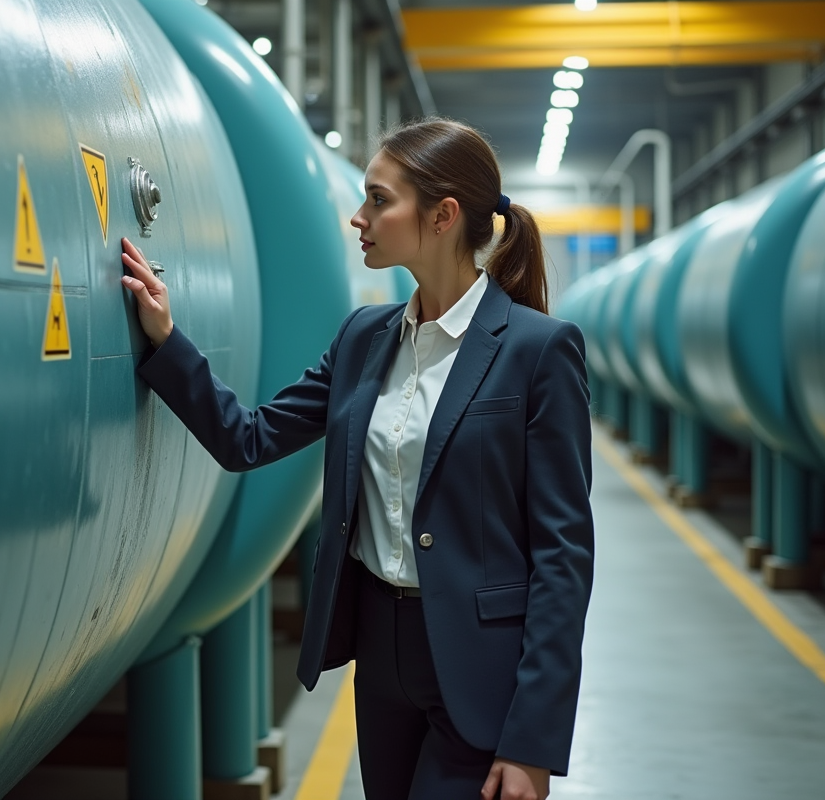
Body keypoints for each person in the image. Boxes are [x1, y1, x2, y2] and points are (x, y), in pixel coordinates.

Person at [121, 118, 593, 800]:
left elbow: (563, 555)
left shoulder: (538, 350)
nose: (358, 215)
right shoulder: (364, 338)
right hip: (380, 656)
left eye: (378, 199)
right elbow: (248, 438)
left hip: (479, 664)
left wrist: (533, 741)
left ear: (443, 215)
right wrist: (166, 342)